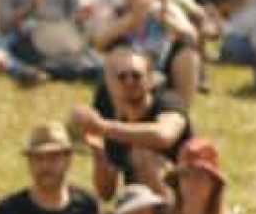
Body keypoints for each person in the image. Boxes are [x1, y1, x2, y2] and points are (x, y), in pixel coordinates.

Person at [71, 46, 190, 200]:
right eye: (122, 77)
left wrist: (101, 126)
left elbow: (163, 136)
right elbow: (106, 193)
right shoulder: (116, 128)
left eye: (136, 75)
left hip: (185, 194)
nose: (129, 81)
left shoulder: (167, 103)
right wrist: (99, 154)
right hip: (142, 206)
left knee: (141, 155)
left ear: (150, 80)